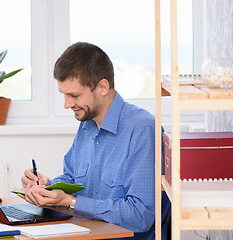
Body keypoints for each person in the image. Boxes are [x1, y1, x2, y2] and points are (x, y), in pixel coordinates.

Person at [20, 42, 170, 239]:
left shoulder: (142, 129)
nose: (67, 104)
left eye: (74, 95)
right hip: (88, 233)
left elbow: (140, 215)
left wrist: (70, 201)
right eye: (64, 95)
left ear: (102, 87)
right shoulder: (88, 123)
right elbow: (73, 179)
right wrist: (46, 187)